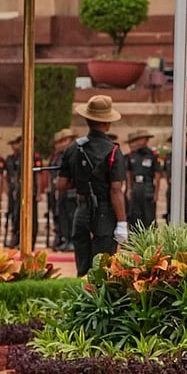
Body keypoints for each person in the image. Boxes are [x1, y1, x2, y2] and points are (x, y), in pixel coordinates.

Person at [56, 95, 128, 276]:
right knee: (102, 271)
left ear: (88, 120)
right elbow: (116, 190)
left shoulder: (73, 149)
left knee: (82, 269)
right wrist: (122, 223)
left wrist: (81, 181)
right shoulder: (113, 151)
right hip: (104, 213)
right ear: (107, 123)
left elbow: (61, 185)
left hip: (81, 211)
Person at [4, 134, 44, 248]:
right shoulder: (20, 156)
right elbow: (17, 175)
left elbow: (38, 175)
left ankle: (31, 241)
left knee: (32, 216)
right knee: (18, 215)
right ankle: (18, 239)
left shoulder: (35, 156)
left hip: (32, 190)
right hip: (20, 190)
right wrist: (16, 189)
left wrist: (39, 192)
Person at [48, 128, 77, 251]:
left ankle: (72, 240)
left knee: (71, 216)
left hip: (71, 190)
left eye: (64, 141)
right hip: (59, 190)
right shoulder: (56, 156)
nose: (60, 144)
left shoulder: (75, 154)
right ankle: (65, 238)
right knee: (62, 215)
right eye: (59, 142)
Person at [126, 129, 161, 233]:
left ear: (146, 140)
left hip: (147, 186)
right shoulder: (132, 155)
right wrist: (129, 189)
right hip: (136, 186)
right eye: (138, 139)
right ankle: (135, 237)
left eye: (142, 139)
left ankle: (150, 237)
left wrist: (156, 193)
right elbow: (129, 173)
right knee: (135, 214)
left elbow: (157, 175)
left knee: (149, 215)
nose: (139, 142)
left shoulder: (152, 155)